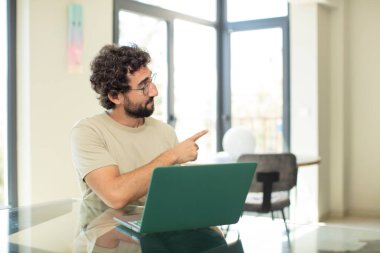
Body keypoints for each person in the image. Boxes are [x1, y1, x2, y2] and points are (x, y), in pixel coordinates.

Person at [70, 44, 208, 210]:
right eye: (143, 86)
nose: (154, 91)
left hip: (154, 230)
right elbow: (115, 196)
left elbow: (172, 196)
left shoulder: (165, 132)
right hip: (104, 232)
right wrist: (172, 156)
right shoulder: (88, 132)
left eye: (150, 80)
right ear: (115, 96)